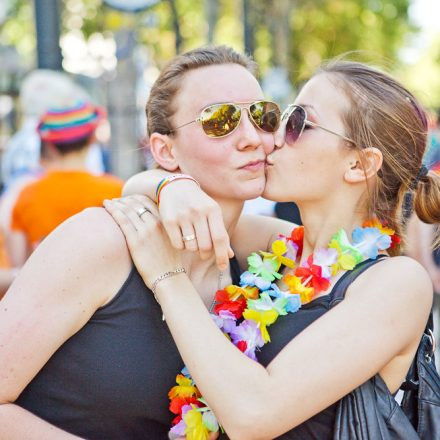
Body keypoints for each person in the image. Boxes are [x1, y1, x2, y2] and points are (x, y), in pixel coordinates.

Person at [104, 60, 437, 439]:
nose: (274, 136)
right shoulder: (277, 247)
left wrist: (168, 279)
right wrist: (172, 187)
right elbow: (138, 193)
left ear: (360, 165)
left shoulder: (397, 283)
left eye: (299, 123)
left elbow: (252, 415)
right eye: (281, 117)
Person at [0, 45, 289, 439]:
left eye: (264, 116)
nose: (252, 137)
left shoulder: (258, 252)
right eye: (220, 120)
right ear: (165, 151)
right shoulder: (100, 240)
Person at [7, 101, 123, 267]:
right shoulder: (115, 190)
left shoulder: (27, 194)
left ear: (50, 146)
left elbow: (18, 265)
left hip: (45, 288)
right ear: (92, 138)